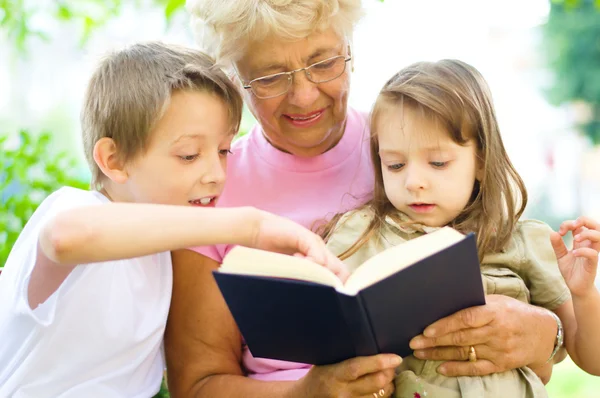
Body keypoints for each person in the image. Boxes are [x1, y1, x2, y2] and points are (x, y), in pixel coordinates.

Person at [164, 1, 566, 397]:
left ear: (350, 50)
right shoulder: (208, 188)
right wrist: (305, 393)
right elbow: (197, 384)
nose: (303, 96)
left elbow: (523, 311)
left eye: (323, 64)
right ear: (236, 78)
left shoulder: (412, 148)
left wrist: (545, 333)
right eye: (270, 77)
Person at [0, 42, 345, 397]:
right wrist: (250, 226)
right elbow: (65, 238)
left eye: (224, 151)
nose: (216, 174)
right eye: (189, 155)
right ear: (113, 160)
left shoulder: (163, 257)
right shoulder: (75, 209)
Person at [322, 59, 600, 397]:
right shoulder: (360, 233)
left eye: (438, 163)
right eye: (394, 165)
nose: (414, 182)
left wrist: (584, 295)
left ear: (481, 161)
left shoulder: (521, 239)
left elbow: (592, 360)